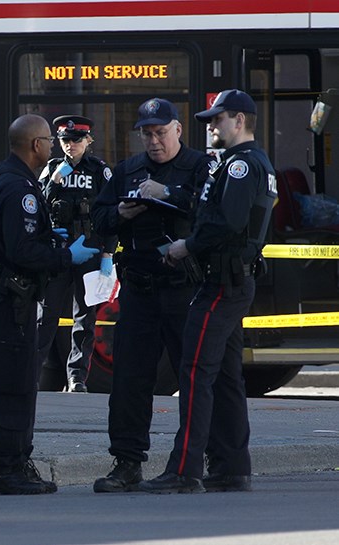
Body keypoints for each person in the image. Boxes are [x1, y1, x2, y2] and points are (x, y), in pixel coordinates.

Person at [140, 90, 276, 493]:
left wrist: (186, 246)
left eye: (217, 119)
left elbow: (226, 223)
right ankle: (232, 467)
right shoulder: (247, 162)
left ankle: (184, 470)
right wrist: (171, 198)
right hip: (232, 281)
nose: (212, 126)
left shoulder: (240, 165)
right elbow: (212, 211)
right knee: (227, 376)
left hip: (221, 284)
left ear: (239, 120)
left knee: (196, 371)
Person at [0, 114, 99, 495]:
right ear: (36, 145)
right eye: (49, 141)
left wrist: (43, 234)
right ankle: (10, 470)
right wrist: (65, 255)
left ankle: (13, 464)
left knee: (2, 383)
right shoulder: (20, 188)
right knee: (16, 385)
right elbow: (22, 251)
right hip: (13, 298)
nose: (53, 146)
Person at [90, 98, 213, 492]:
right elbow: (98, 218)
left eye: (161, 132)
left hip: (183, 289)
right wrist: (119, 214)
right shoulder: (127, 170)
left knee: (193, 379)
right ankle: (127, 463)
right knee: (129, 380)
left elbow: (213, 215)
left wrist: (169, 193)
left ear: (178, 129)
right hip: (139, 290)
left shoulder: (199, 167)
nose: (154, 140)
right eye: (147, 133)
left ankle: (196, 461)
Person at [37, 115, 116, 393]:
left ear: (88, 140)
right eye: (65, 140)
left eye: (76, 139)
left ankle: (77, 377)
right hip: (59, 252)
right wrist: (54, 181)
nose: (70, 145)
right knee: (46, 315)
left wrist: (108, 254)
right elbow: (37, 207)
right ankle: (33, 371)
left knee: (85, 317)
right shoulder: (51, 169)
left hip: (90, 251)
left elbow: (111, 215)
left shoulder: (99, 171)